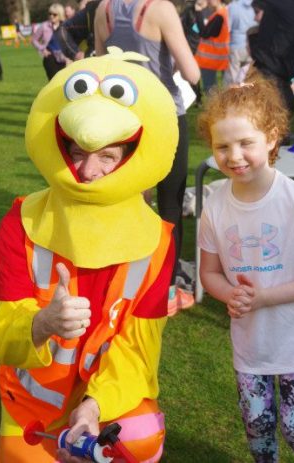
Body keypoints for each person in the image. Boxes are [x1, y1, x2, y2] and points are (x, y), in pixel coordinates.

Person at [0, 50, 179, 463]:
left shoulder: (157, 239)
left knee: (142, 436)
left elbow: (137, 350)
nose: (89, 171)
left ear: (131, 157)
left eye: (108, 156)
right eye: (77, 153)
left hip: (103, 401)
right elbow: (1, 337)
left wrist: (94, 406)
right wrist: (41, 323)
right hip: (31, 408)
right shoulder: (21, 221)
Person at [197, 75, 294, 462]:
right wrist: (230, 294)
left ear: (272, 137)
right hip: (251, 345)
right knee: (257, 428)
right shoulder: (214, 205)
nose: (235, 155)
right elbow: (208, 273)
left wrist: (264, 298)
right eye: (222, 146)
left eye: (246, 143)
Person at [94, 0, 201, 314]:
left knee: (132, 201)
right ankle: (167, 288)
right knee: (170, 203)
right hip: (164, 115)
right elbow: (192, 71)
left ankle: (128, 281)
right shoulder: (161, 9)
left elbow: (104, 68)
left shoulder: (104, 10)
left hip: (123, 118)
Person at [248, 0, 294, 116]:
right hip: (281, 88)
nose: (255, 18)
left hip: (269, 87)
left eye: (256, 12)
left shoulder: (286, 7)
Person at [194, 0, 230, 94]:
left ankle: (215, 108)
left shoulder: (219, 16)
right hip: (222, 57)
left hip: (209, 60)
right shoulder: (225, 12)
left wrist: (198, 11)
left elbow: (204, 33)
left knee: (211, 91)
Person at [32, 3, 69, 80]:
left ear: (60, 15)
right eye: (50, 14)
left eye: (54, 14)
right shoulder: (44, 26)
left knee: (64, 81)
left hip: (65, 58)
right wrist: (42, 49)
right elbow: (34, 40)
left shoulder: (66, 26)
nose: (51, 16)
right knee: (54, 80)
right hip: (50, 57)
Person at [224, 0, 255, 86]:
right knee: (249, 77)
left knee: (233, 79)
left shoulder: (233, 6)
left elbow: (228, 27)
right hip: (252, 46)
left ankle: (233, 98)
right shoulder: (256, 4)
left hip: (236, 45)